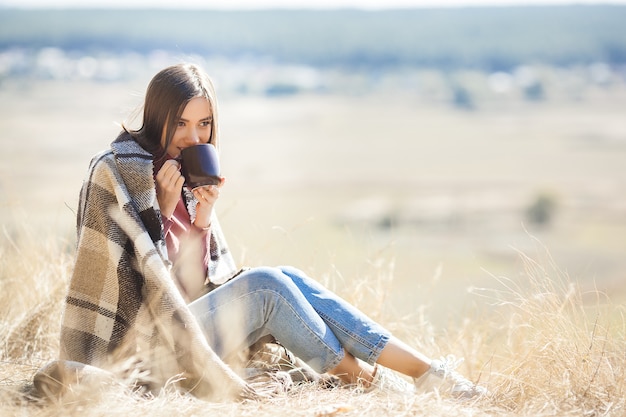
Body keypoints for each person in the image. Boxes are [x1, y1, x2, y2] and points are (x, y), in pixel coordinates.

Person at [38, 63, 486, 401]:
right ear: (158, 118)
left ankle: (429, 375)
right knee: (267, 286)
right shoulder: (115, 173)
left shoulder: (191, 177)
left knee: (286, 275)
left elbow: (194, 288)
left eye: (204, 124)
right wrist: (161, 213)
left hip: (189, 332)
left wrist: (201, 223)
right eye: (180, 123)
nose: (194, 137)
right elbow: (136, 295)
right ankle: (378, 386)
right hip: (139, 354)